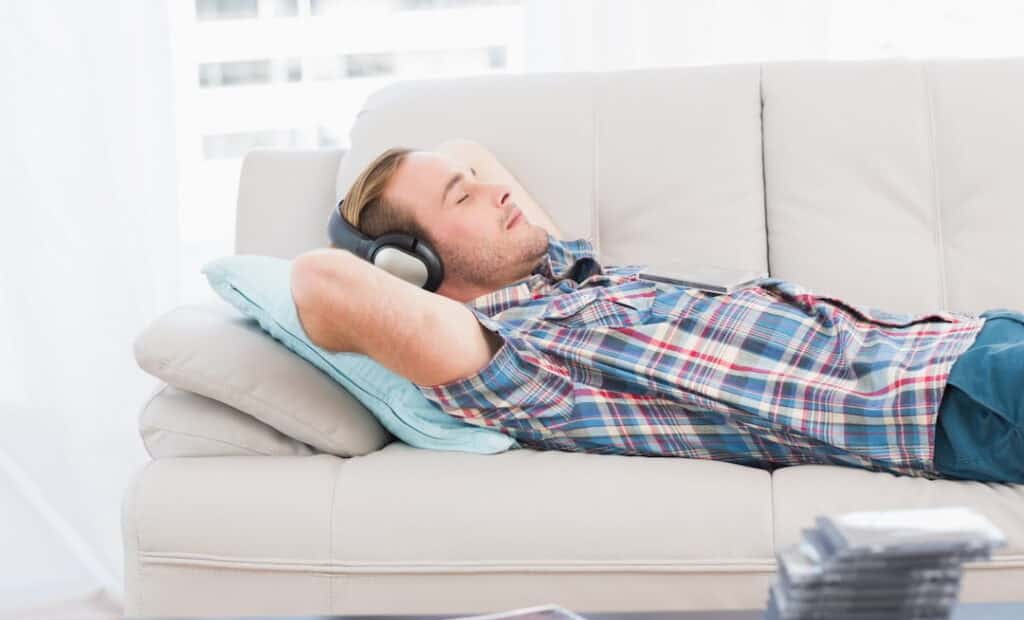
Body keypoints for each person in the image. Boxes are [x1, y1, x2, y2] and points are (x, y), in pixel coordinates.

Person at [290, 140, 1024, 484]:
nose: (497, 191)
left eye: (482, 184)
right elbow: (323, 284)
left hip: (967, 338)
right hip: (948, 403)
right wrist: (377, 255)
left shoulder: (562, 275)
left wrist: (455, 179)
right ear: (408, 265)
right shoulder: (521, 363)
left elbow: (470, 150)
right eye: (463, 197)